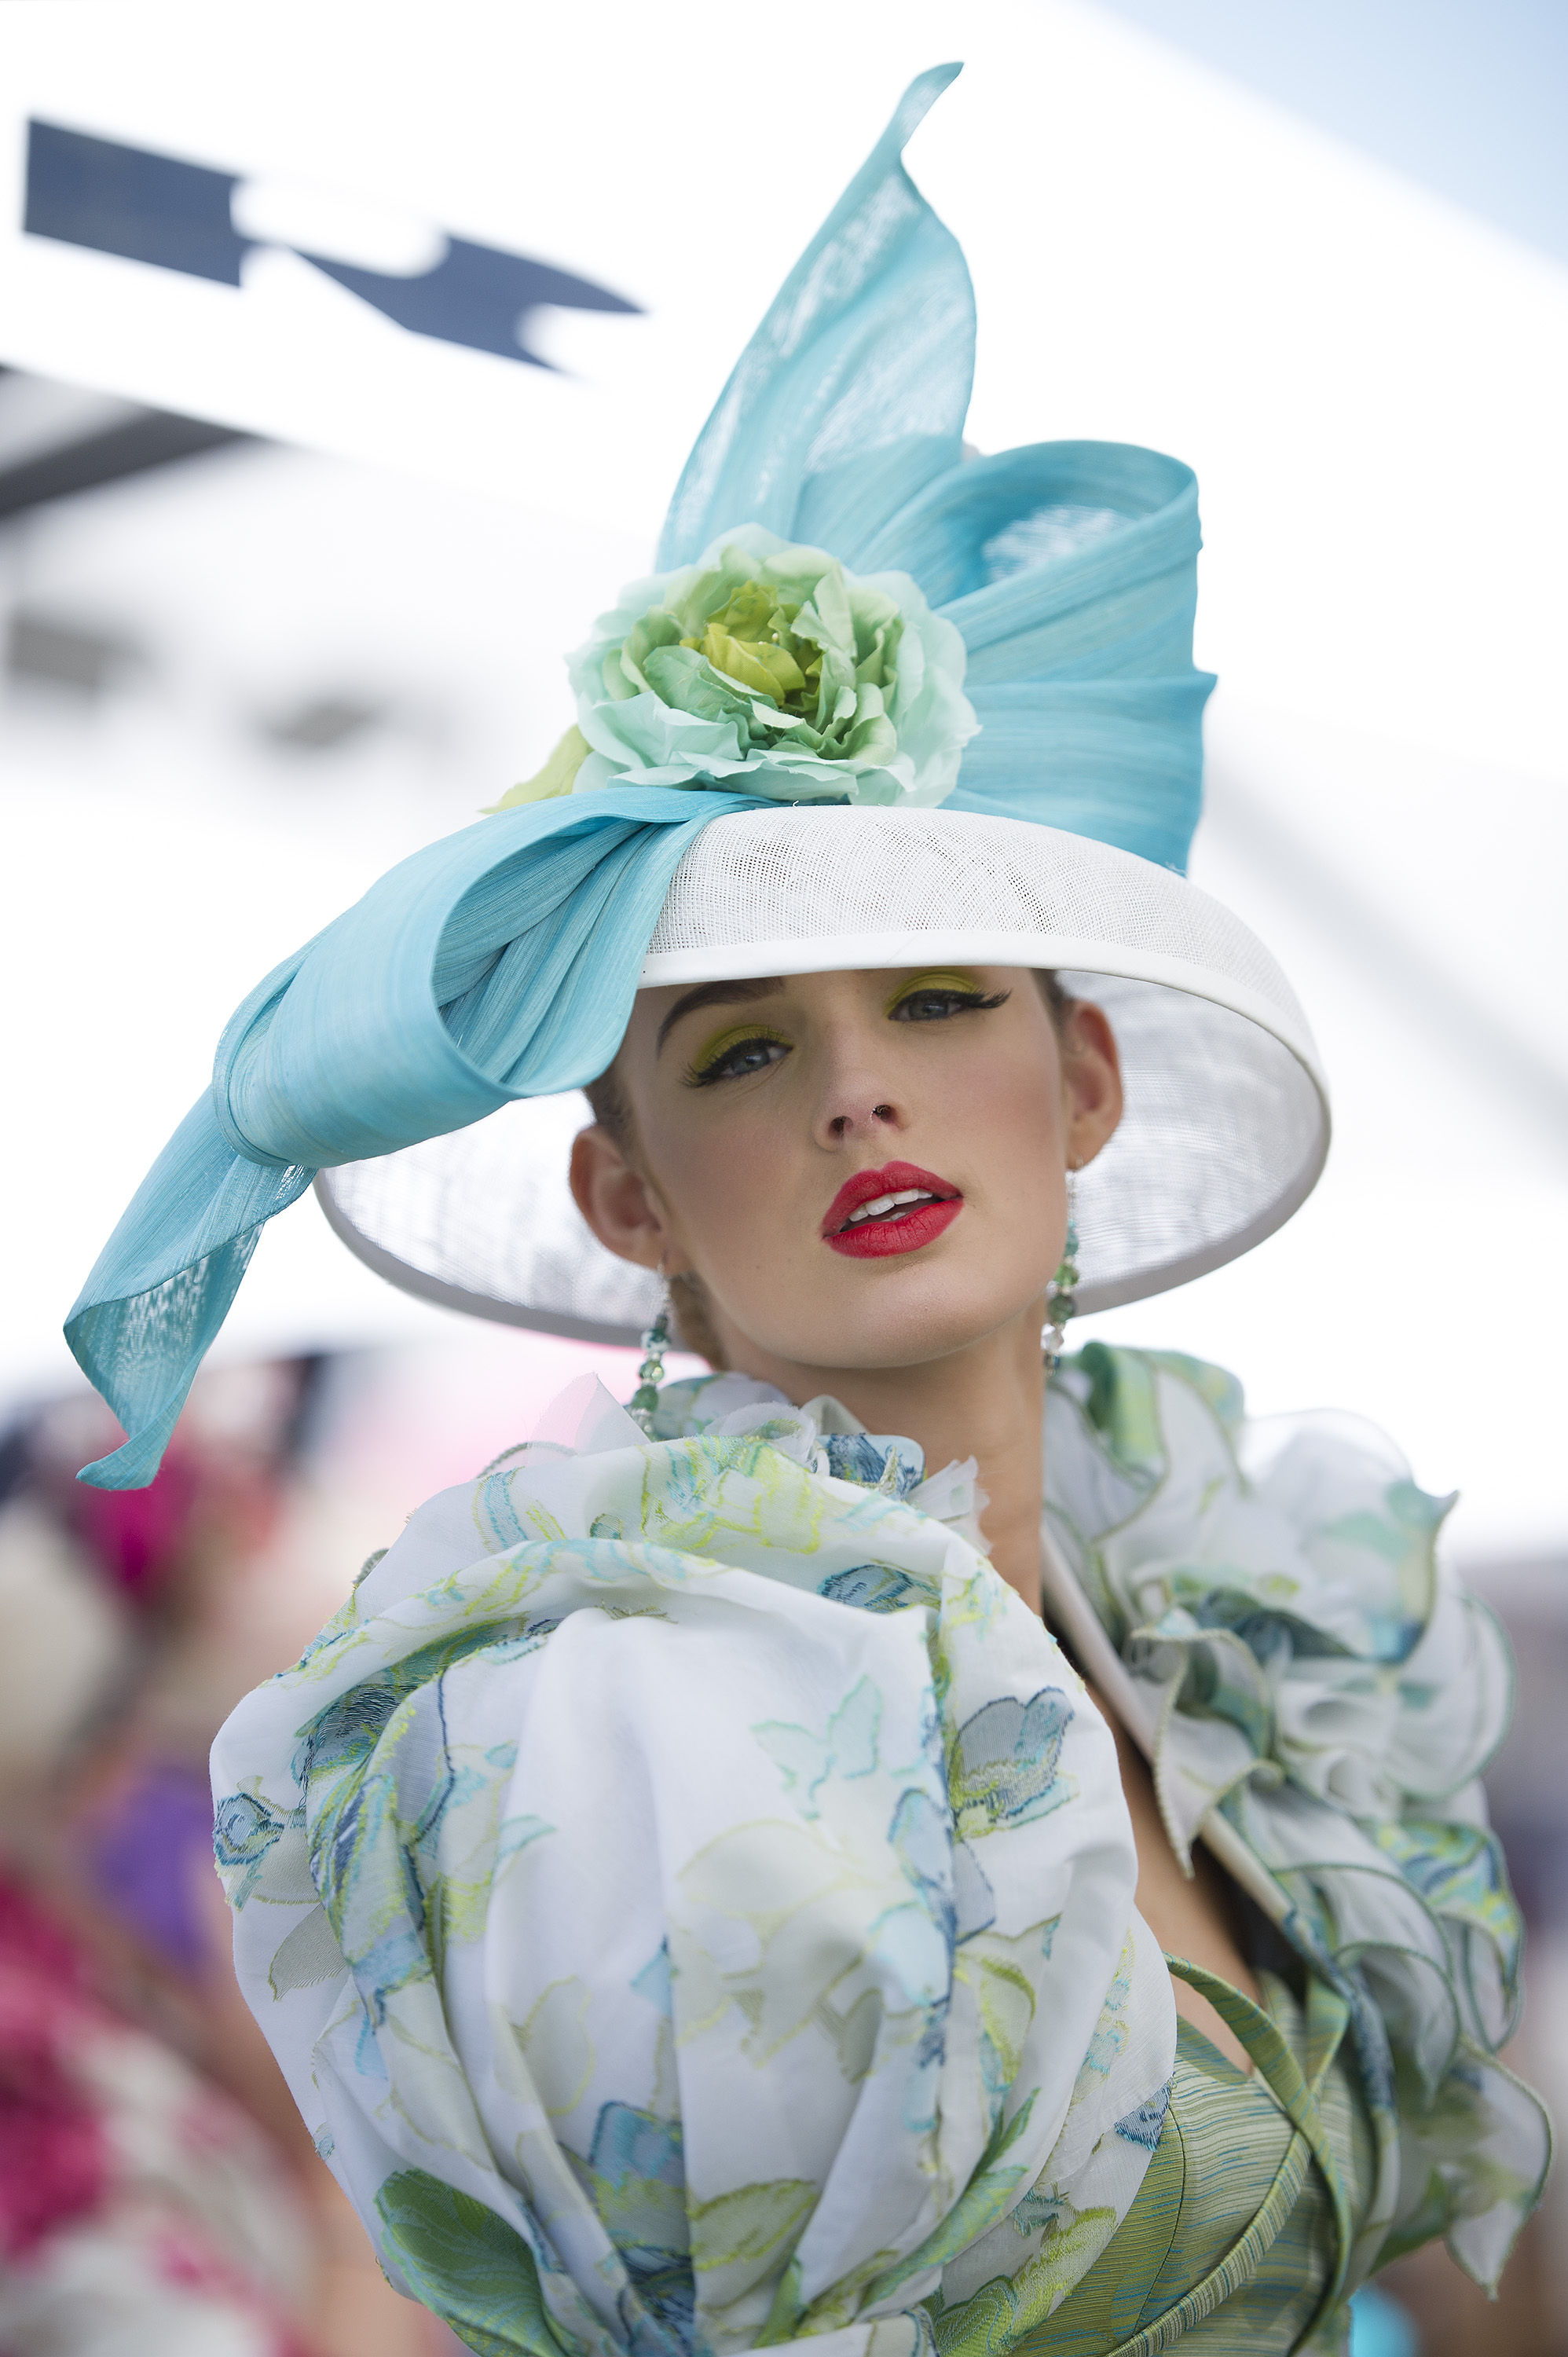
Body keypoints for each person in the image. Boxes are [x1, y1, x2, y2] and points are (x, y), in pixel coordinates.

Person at [66, 64, 1545, 2357]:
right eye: (746, 1049)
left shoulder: (1236, 1644)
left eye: (934, 1002)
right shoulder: (602, 1721)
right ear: (623, 1196)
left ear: (1078, 1080)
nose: (858, 1085)